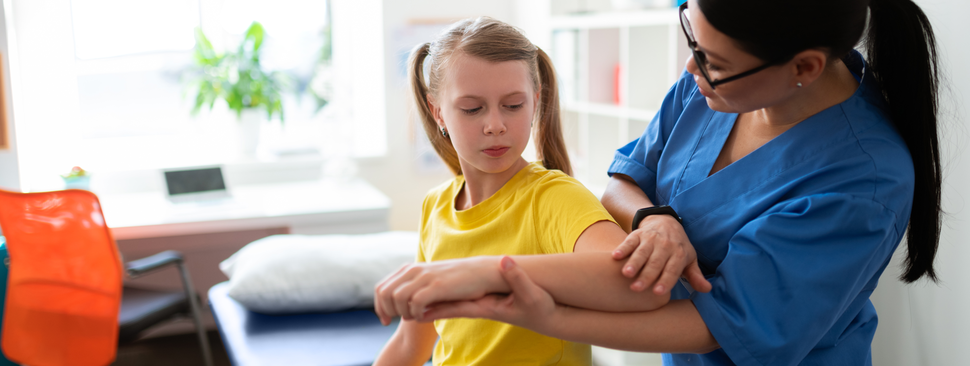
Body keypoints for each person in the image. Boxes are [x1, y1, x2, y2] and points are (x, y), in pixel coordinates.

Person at [374, 0, 944, 365]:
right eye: (691, 38)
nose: (691, 70)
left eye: (712, 61)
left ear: (803, 69)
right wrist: (655, 218)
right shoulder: (715, 81)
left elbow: (721, 323)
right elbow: (627, 177)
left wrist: (505, 291)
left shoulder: (861, 183)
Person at [372, 17, 705, 366]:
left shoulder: (554, 197)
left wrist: (486, 273)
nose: (495, 125)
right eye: (472, 109)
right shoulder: (436, 205)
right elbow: (411, 344)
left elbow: (637, 283)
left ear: (536, 101)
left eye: (513, 105)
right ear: (437, 111)